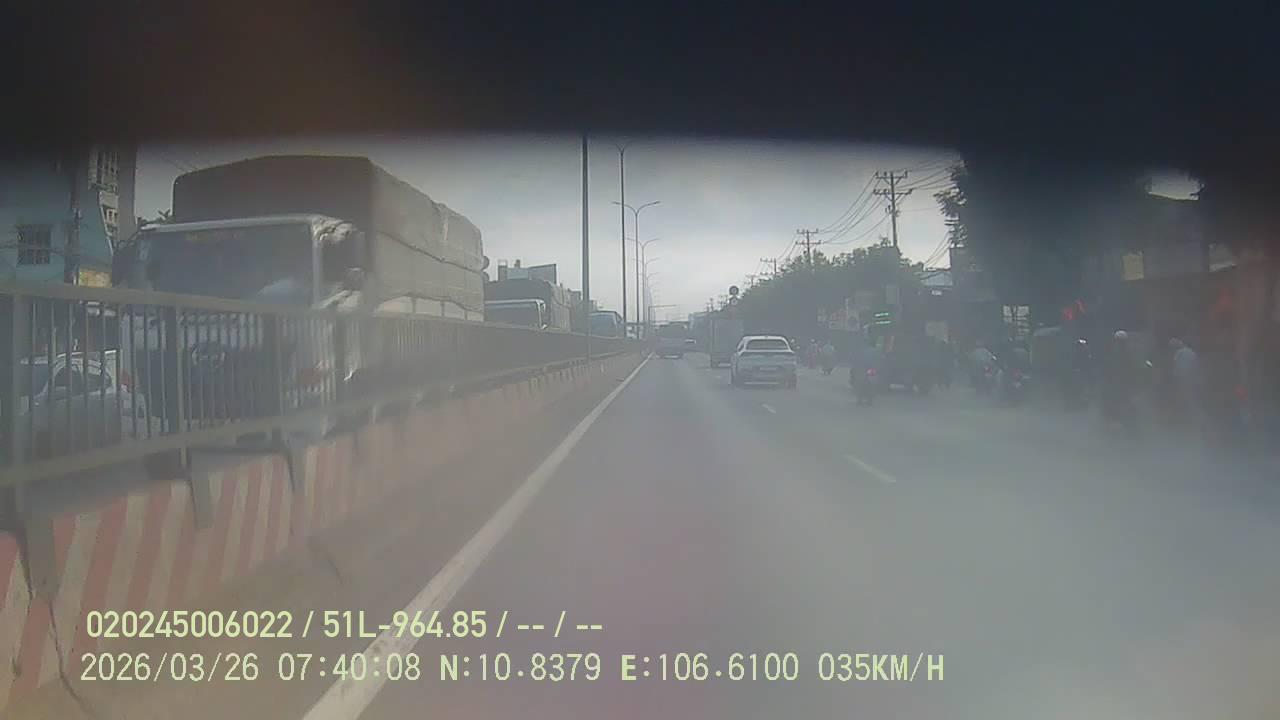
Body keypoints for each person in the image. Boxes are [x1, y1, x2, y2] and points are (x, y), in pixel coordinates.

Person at [1168, 337, 1203, 434]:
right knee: (1192, 400)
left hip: (1183, 380)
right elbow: (1196, 366)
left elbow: (1176, 368)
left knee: (1185, 400)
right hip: (1193, 380)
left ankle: (1187, 421)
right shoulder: (1192, 352)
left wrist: (1174, 379)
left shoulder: (1179, 354)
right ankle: (1195, 421)